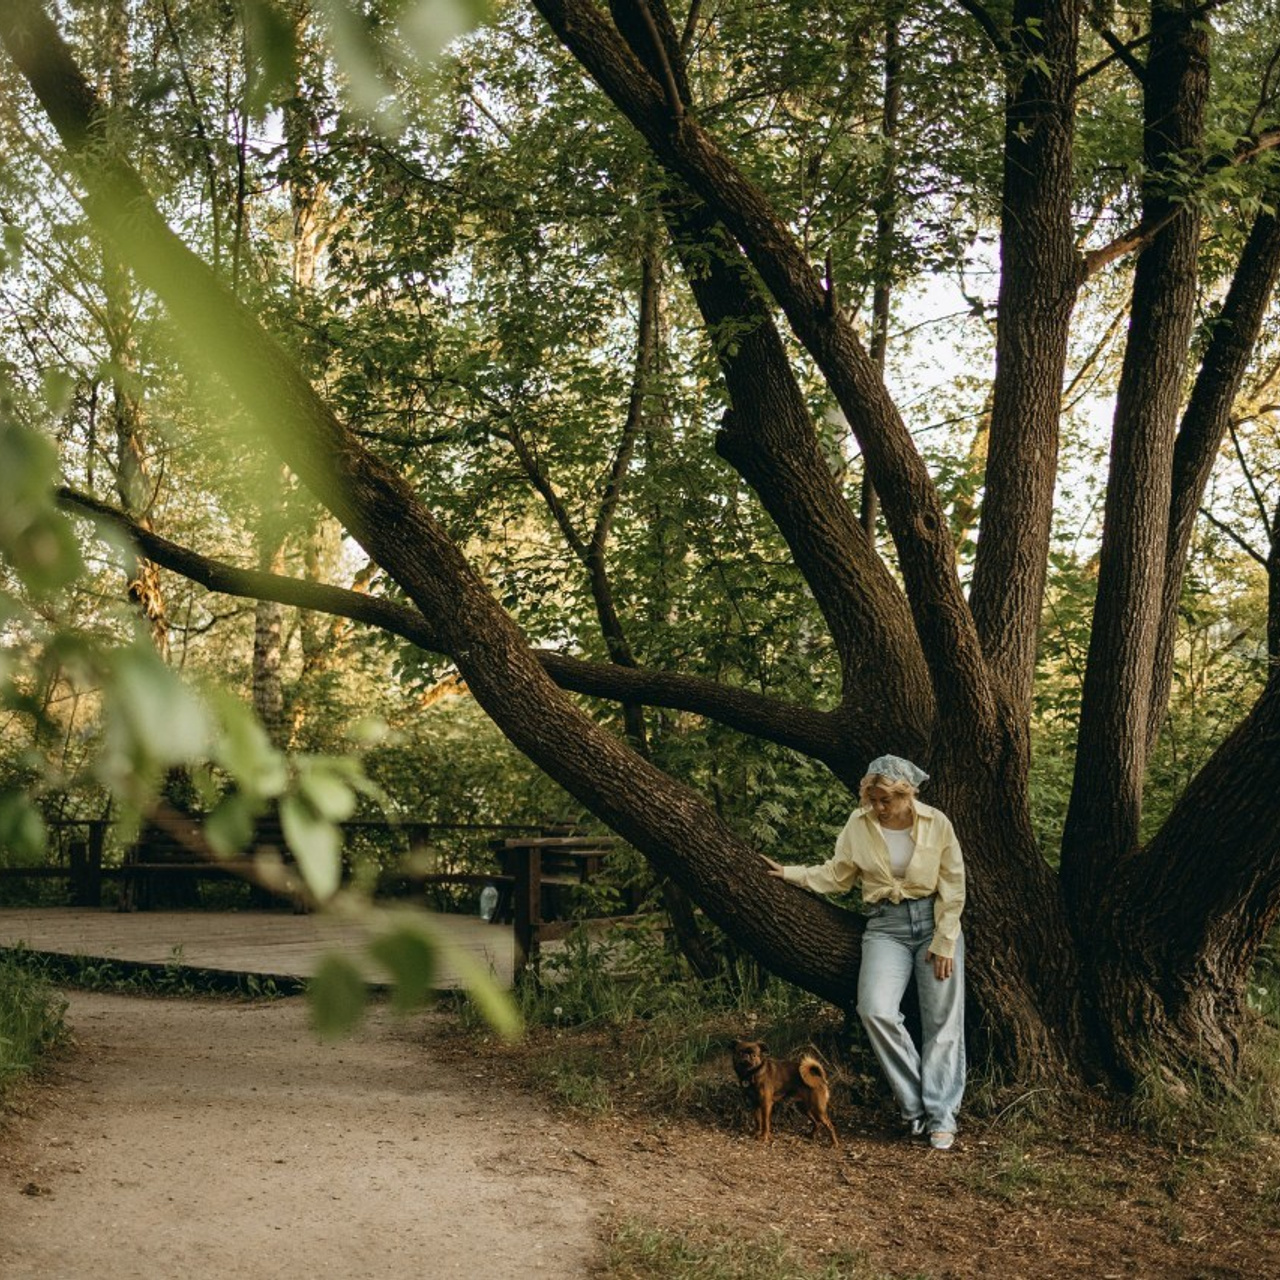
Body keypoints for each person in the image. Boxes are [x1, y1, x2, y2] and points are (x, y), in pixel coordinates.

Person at [761, 754, 965, 1151]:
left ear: (907, 794)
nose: (877, 807)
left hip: (934, 924)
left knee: (942, 1022)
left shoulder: (936, 823)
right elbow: (837, 874)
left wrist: (945, 940)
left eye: (885, 799)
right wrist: (791, 873)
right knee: (874, 1009)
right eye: (872, 799)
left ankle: (941, 1115)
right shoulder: (860, 824)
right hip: (884, 927)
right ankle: (916, 1108)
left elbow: (954, 886)